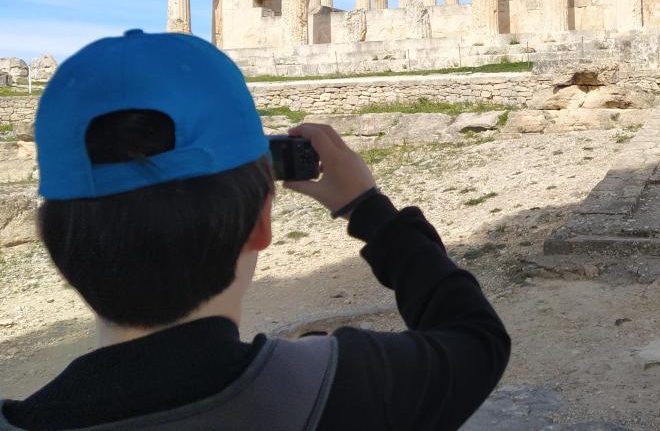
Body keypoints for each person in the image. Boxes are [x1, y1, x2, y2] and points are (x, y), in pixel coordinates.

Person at [0, 30, 510, 430]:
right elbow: (477, 338)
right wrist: (369, 210)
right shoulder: (345, 388)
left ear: (49, 240)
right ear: (261, 225)